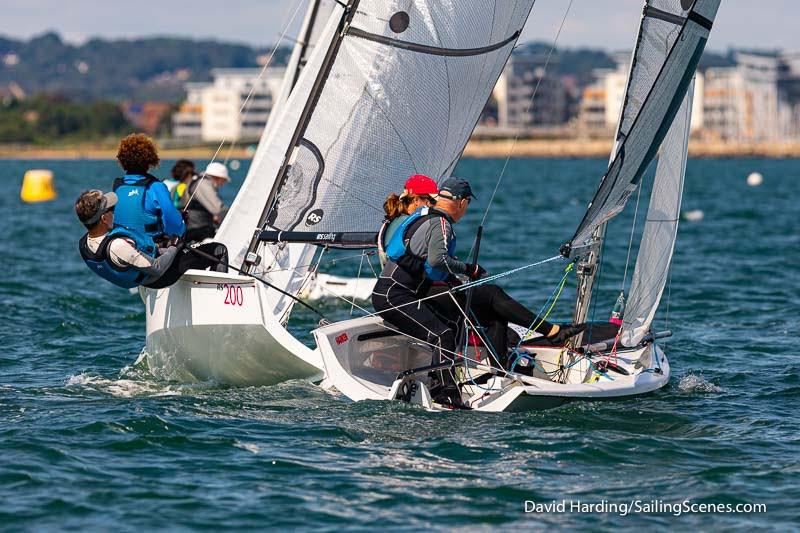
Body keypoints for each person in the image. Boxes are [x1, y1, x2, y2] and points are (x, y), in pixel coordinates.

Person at [373, 178, 585, 406]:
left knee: (481, 315)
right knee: (441, 334)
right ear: (462, 202)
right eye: (467, 205)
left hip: (406, 292)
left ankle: (497, 372)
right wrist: (468, 269)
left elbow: (426, 264)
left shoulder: (424, 215)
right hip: (394, 296)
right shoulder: (441, 224)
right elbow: (436, 260)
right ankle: (444, 393)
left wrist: (455, 277)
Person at [76, 189, 228, 290]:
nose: (114, 211)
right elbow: (157, 268)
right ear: (104, 218)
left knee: (183, 247)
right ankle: (219, 300)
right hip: (160, 277)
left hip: (145, 271)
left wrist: (165, 244)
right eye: (111, 210)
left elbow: (136, 249)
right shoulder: (117, 246)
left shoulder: (85, 243)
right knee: (218, 250)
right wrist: (175, 246)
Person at [112, 133, 185, 246]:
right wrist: (182, 221)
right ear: (150, 160)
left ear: (122, 159)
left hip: (120, 249)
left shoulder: (117, 187)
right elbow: (174, 226)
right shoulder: (156, 187)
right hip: (149, 251)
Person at [377, 174, 439, 268]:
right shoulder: (408, 224)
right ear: (416, 200)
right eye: (433, 201)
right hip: (409, 281)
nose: (435, 206)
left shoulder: (398, 220)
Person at [178, 161, 231, 243]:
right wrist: (235, 216)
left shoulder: (201, 181)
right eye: (223, 180)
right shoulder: (203, 184)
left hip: (197, 228)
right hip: (196, 230)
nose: (223, 184)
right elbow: (218, 209)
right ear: (218, 177)